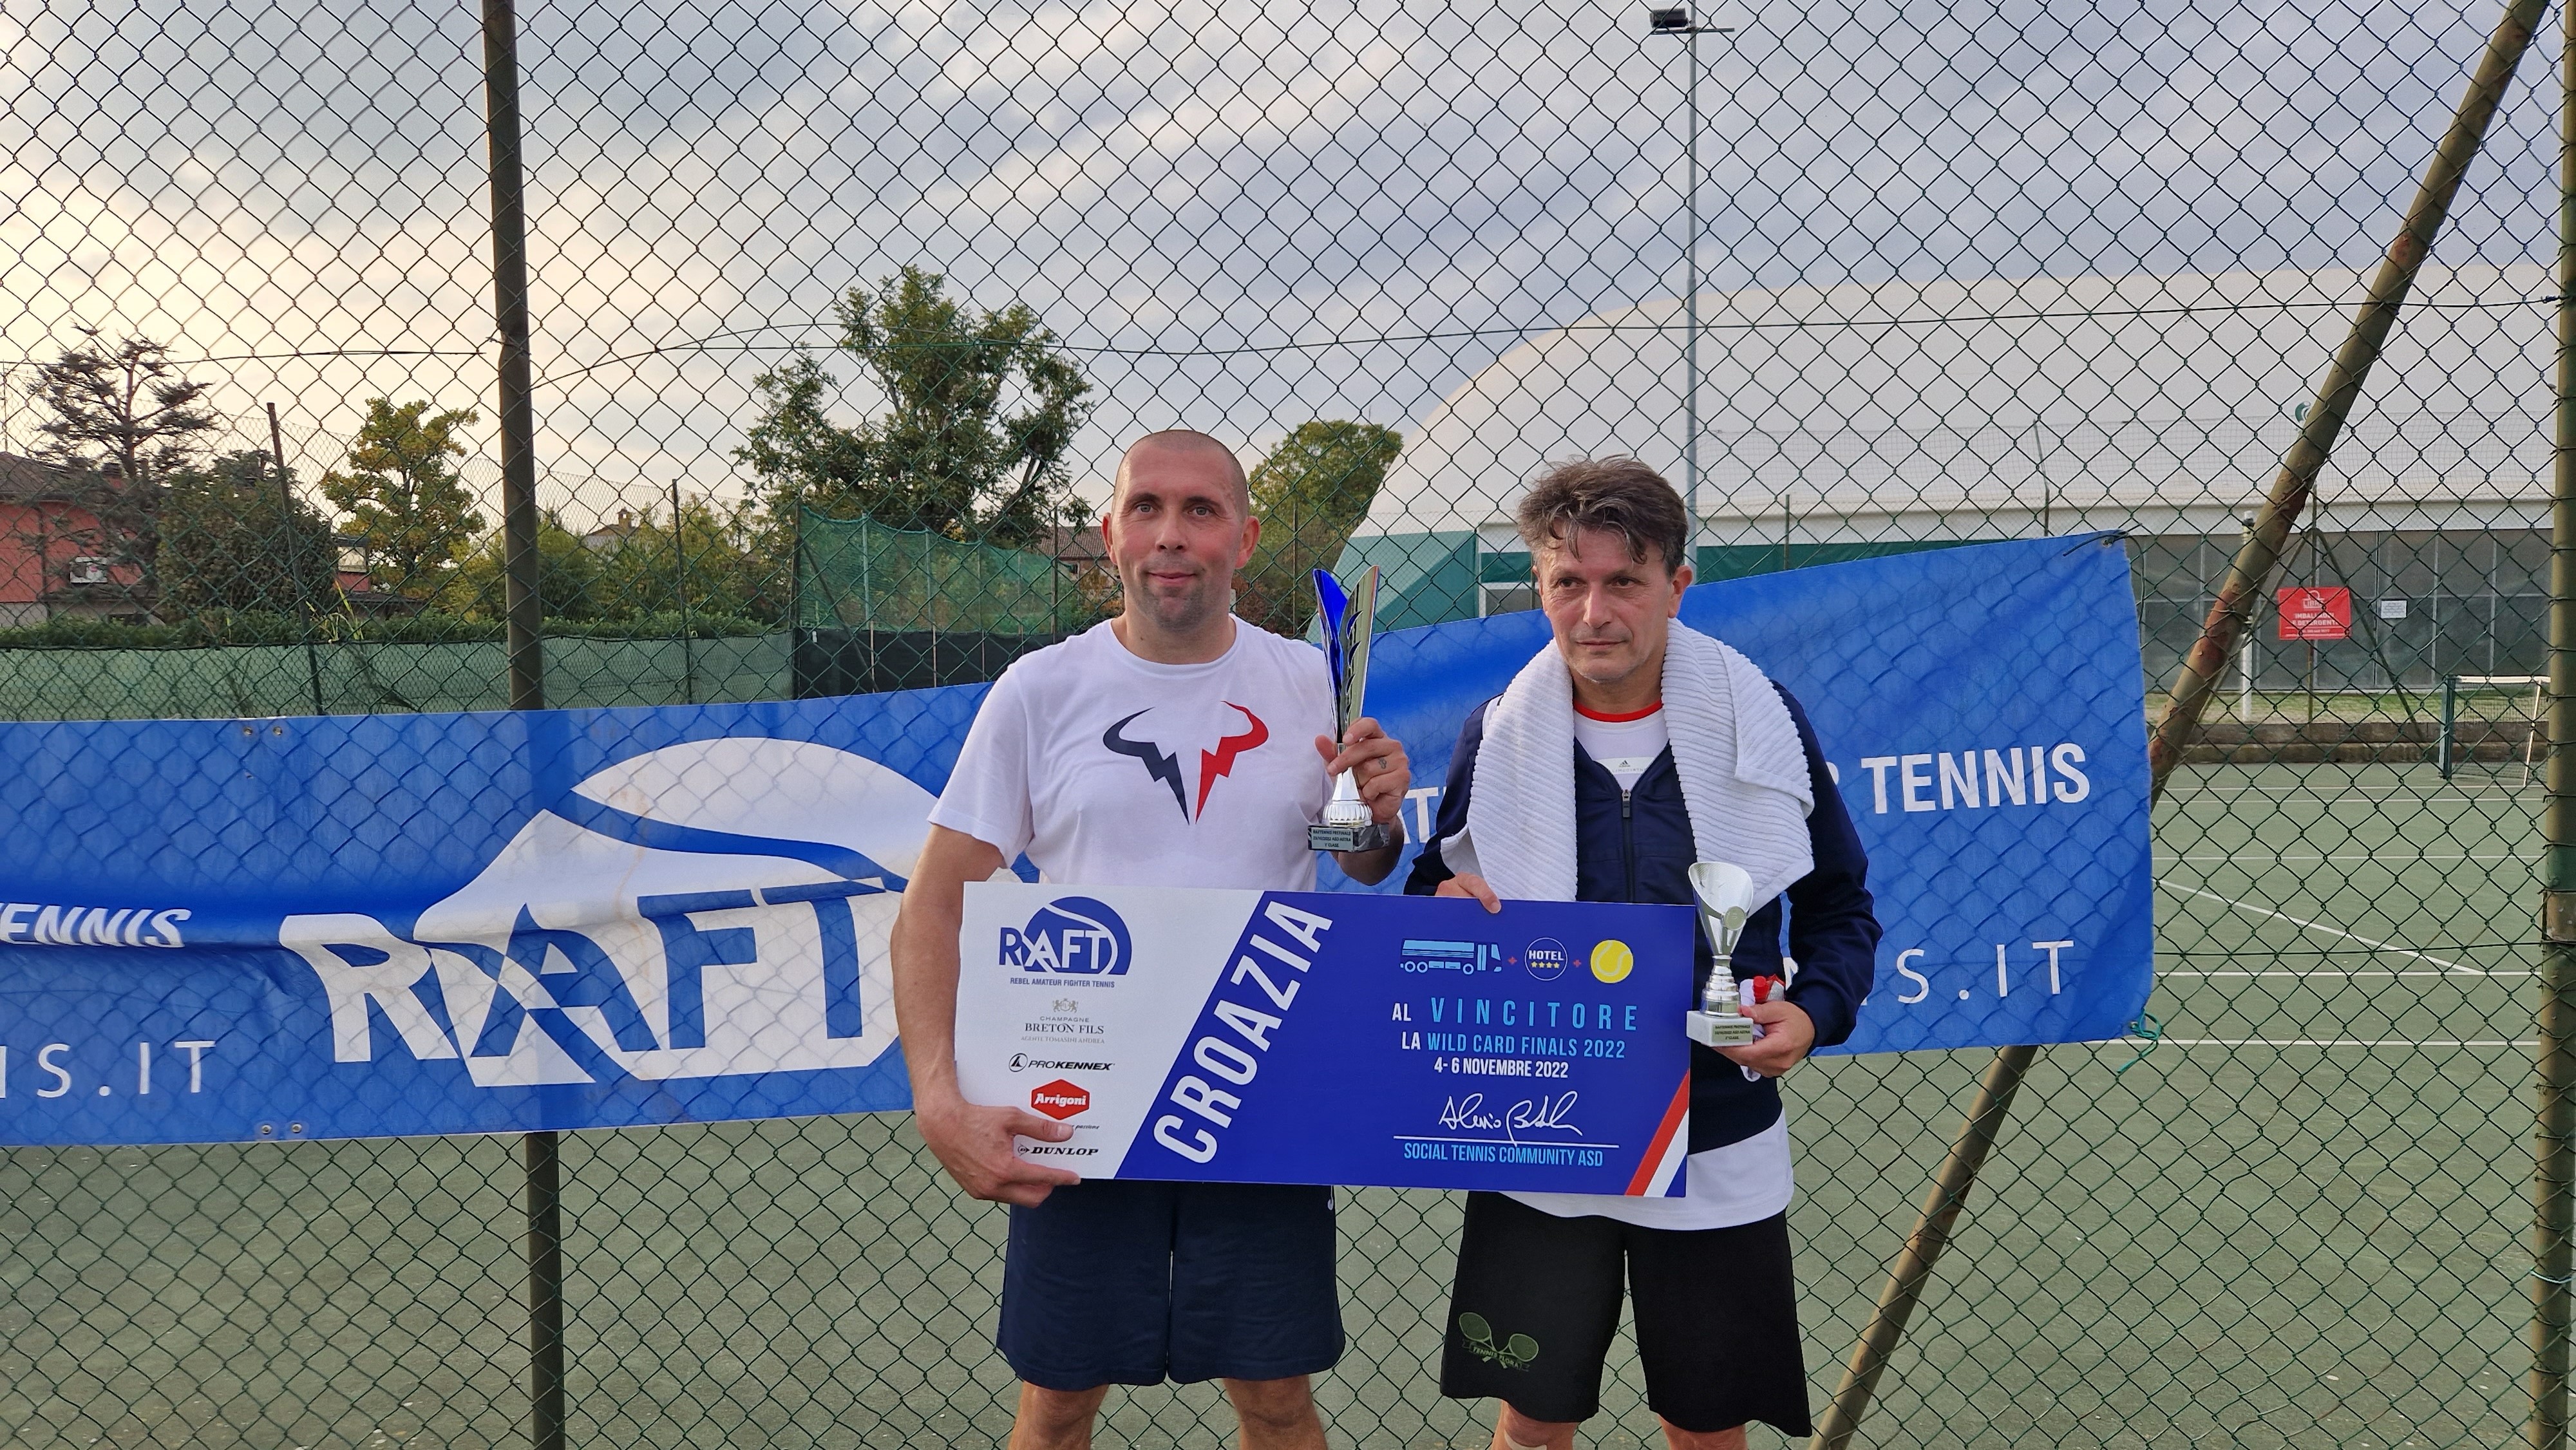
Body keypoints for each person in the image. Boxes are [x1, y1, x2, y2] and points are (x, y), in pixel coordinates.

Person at [889, 429, 1412, 1450]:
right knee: (1057, 1403)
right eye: (1148, 508)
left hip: (1255, 1085)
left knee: (1274, 1396)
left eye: (1201, 511)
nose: (1172, 536)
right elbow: (934, 904)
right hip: (1083, 1106)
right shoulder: (1040, 691)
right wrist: (937, 1095)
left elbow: (1362, 860)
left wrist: (1380, 817)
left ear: (1245, 538)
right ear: (1110, 534)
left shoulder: (1315, 680)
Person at [1404, 458, 1879, 1450]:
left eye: (1624, 581)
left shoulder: (1763, 717)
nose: (1594, 612)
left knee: (1705, 1426)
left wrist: (1815, 1010)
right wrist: (1442, 914)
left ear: (1678, 583)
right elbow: (1428, 905)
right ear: (1537, 591)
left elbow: (1840, 908)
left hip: (1718, 1138)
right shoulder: (1496, 735)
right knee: (1534, 1422)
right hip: (1543, 1132)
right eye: (1567, 583)